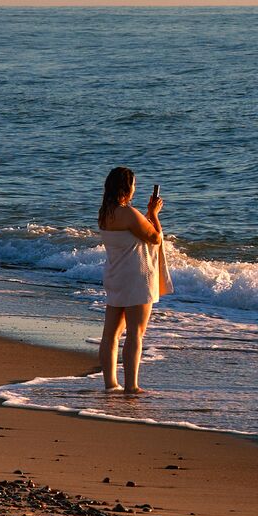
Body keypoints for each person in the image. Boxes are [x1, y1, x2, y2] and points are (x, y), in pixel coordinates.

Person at [96, 166, 167, 393]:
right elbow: (155, 237)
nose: (135, 188)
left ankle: (111, 384)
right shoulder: (128, 213)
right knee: (135, 332)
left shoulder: (105, 213)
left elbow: (133, 234)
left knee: (110, 335)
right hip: (137, 276)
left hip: (116, 275)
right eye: (134, 184)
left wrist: (145, 216)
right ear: (126, 187)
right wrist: (153, 214)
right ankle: (132, 386)